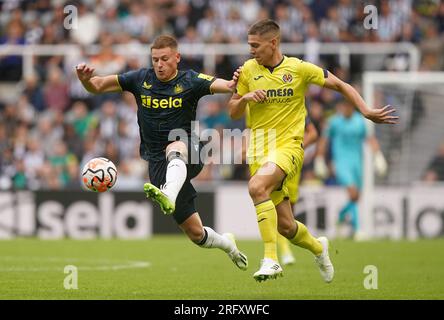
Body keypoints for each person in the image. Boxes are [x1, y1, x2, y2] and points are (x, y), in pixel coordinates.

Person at [228, 19, 397, 282]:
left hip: (289, 147)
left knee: (256, 187)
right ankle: (319, 248)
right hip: (258, 152)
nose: (251, 50)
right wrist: (246, 98)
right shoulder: (248, 71)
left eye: (255, 45)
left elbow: (341, 85)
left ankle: (270, 259)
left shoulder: (299, 69)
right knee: (286, 226)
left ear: (273, 43)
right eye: (249, 45)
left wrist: (365, 110)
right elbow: (233, 110)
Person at [76, 35, 248, 272]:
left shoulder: (191, 80)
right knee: (196, 234)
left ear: (176, 58)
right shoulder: (140, 79)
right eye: (155, 59)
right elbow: (96, 86)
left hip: (191, 150)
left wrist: (235, 81)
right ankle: (227, 244)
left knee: (175, 145)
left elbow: (227, 86)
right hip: (158, 163)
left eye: (164, 59)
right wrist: (85, 80)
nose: (159, 64)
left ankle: (168, 192)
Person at [315, 101, 387, 239]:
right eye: (343, 106)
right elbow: (324, 140)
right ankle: (357, 230)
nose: (345, 108)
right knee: (353, 193)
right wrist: (319, 159)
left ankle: (340, 217)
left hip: (357, 164)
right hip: (341, 163)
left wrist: (378, 155)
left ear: (352, 107)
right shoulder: (334, 122)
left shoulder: (360, 122)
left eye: (347, 106)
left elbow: (370, 139)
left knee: (356, 197)